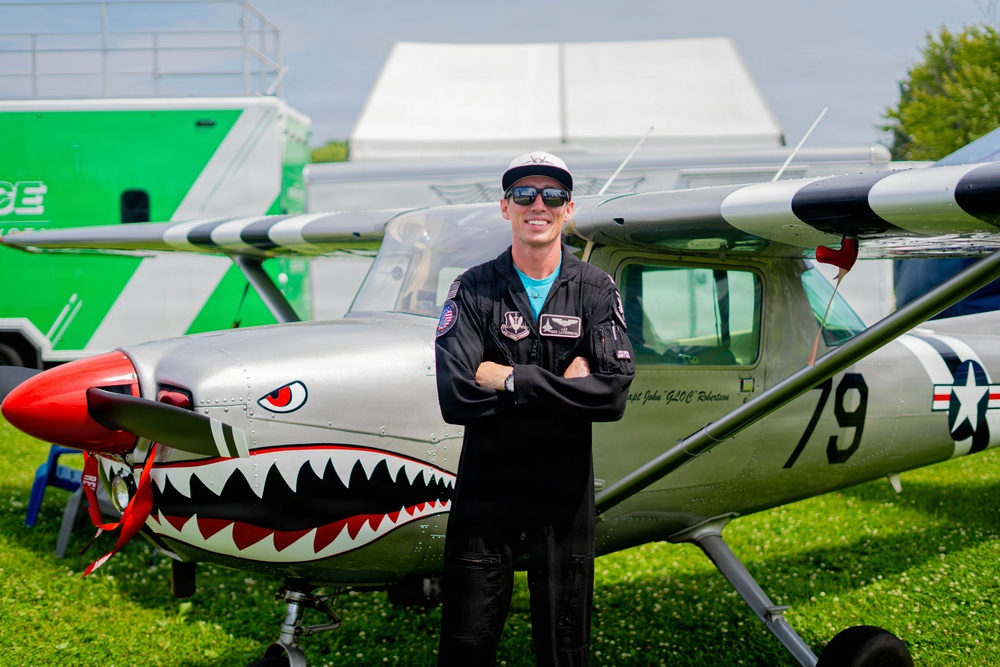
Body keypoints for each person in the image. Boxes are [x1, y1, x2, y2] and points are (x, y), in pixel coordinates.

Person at [434, 151, 635, 666]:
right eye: (524, 195)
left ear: (569, 208)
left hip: (562, 495)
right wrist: (565, 388)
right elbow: (456, 395)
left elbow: (612, 396)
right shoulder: (472, 288)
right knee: (465, 645)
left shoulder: (595, 289)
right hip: (487, 492)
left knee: (566, 650)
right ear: (506, 208)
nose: (537, 205)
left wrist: (507, 377)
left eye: (553, 196)